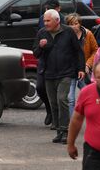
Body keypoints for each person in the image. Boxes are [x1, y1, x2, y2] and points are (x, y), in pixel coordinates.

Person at [33, 9, 85, 144]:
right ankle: (58, 131)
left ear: (57, 21)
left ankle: (66, 130)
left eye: (48, 21)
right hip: (49, 73)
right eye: (44, 20)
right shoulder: (42, 33)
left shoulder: (68, 32)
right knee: (53, 103)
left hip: (66, 73)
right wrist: (40, 46)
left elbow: (78, 51)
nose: (45, 23)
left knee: (62, 99)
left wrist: (81, 68)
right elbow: (36, 54)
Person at [66, 13, 98, 116]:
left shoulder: (87, 34)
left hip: (84, 71)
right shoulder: (65, 35)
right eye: (71, 24)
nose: (73, 26)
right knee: (70, 98)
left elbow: (95, 50)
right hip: (70, 70)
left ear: (80, 24)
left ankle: (93, 117)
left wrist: (88, 64)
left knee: (89, 95)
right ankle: (71, 123)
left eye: (76, 23)